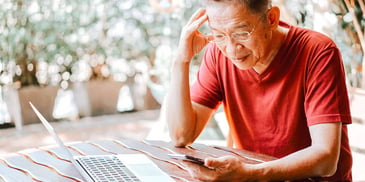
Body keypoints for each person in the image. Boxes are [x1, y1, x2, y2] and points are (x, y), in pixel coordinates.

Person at [164, 0, 353, 181]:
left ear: (271, 19)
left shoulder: (317, 52)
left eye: (241, 33)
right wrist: (181, 60)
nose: (231, 50)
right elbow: (182, 135)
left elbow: (326, 159)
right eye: (219, 35)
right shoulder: (217, 55)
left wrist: (250, 174)